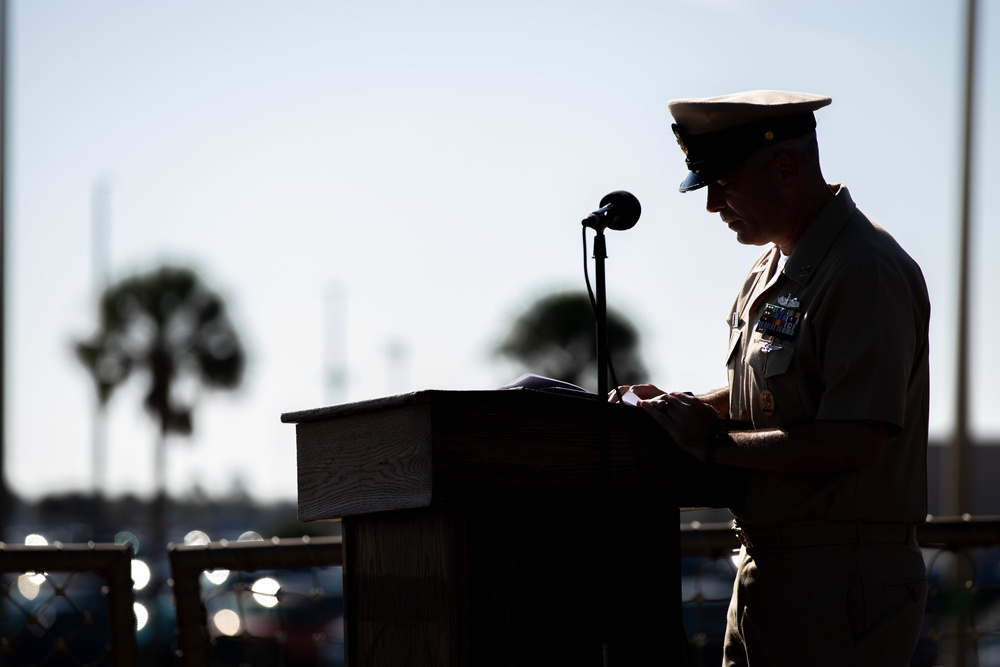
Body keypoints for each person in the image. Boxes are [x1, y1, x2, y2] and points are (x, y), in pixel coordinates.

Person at [613, 90, 930, 666]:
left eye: (725, 183)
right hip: (771, 568)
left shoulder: (865, 269)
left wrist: (711, 446)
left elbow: (854, 438)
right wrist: (680, 407)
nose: (712, 204)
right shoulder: (776, 264)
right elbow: (770, 397)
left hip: (837, 581)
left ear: (785, 168)